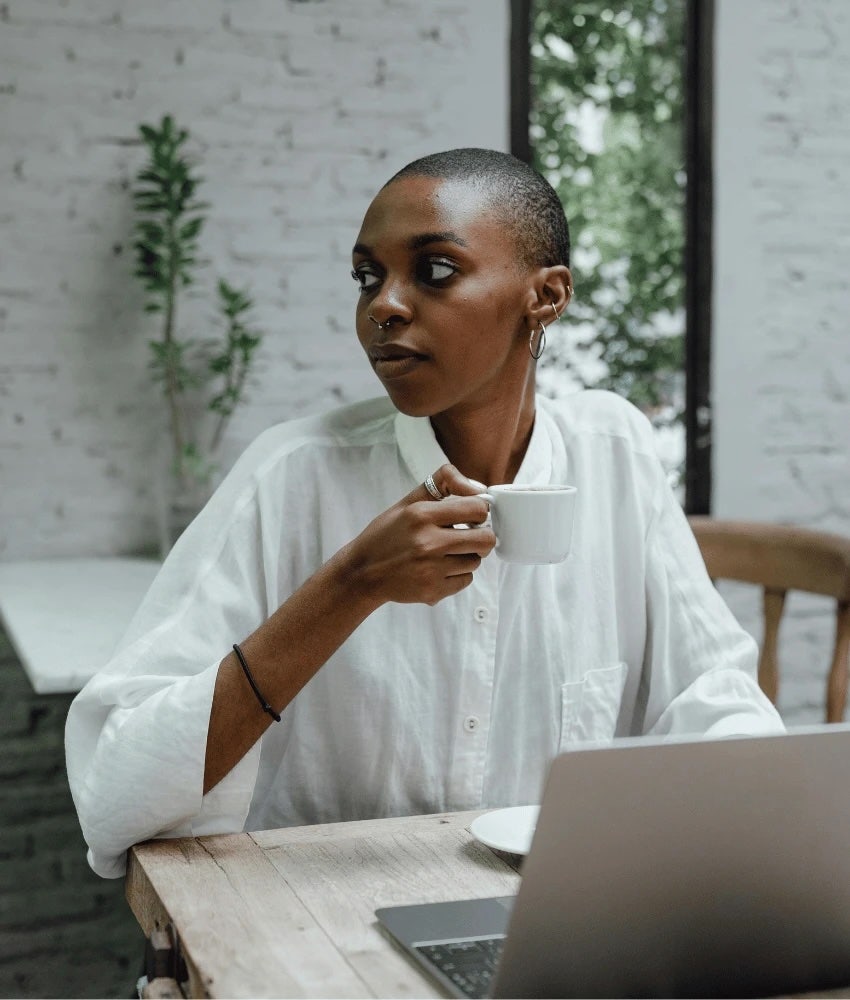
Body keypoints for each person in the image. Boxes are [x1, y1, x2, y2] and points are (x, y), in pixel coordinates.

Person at [66, 148, 783, 879]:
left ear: (547, 296)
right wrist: (348, 585)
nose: (383, 305)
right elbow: (115, 794)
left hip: (550, 924)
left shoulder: (613, 453)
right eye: (367, 277)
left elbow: (717, 703)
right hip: (319, 938)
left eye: (435, 270)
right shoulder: (293, 475)